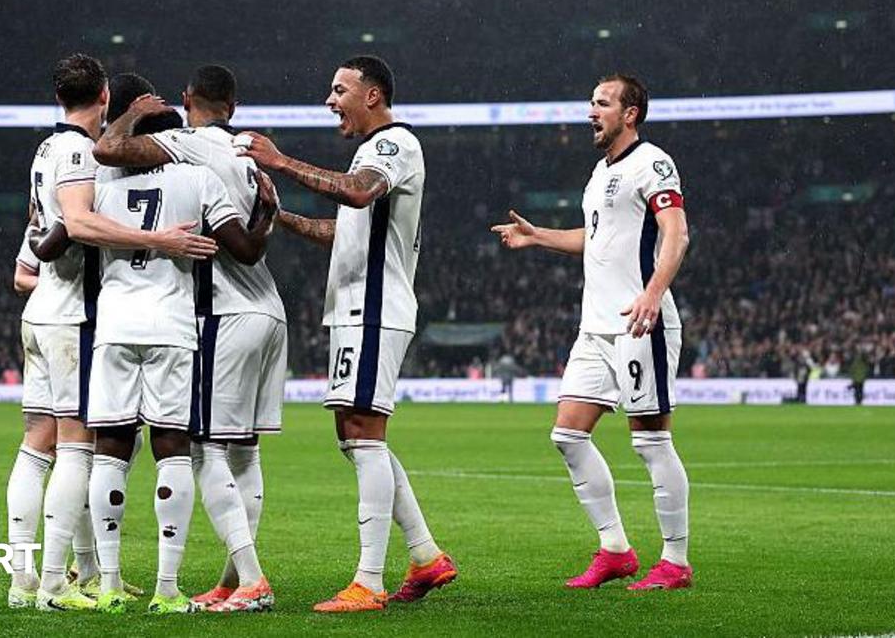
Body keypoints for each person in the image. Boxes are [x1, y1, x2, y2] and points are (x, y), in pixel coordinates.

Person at [243, 55, 456, 612]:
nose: (330, 100)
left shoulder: (395, 144)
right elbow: (345, 228)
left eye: (339, 90)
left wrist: (280, 161)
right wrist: (280, 216)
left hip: (375, 307)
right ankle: (425, 555)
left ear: (373, 95)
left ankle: (369, 581)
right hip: (356, 308)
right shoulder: (370, 153)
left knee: (363, 434)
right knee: (355, 436)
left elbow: (358, 194)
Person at [11, 56, 209, 613]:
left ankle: (34, 578)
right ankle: (54, 584)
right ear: (102, 95)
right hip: (75, 316)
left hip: (45, 312)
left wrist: (51, 257)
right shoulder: (85, 159)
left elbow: (28, 263)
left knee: (37, 446)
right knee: (79, 449)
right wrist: (159, 240)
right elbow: (76, 224)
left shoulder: (46, 151)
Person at [93, 64, 286, 613]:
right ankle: (230, 580)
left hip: (217, 311)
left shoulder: (182, 149)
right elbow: (249, 247)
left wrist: (131, 117)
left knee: (199, 448)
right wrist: (270, 215)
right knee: (242, 452)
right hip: (267, 309)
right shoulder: (245, 154)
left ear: (184, 101)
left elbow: (108, 153)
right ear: (234, 105)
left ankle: (249, 579)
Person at [492, 73, 693, 590]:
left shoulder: (652, 162)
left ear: (630, 113)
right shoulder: (600, 171)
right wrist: (538, 237)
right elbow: (596, 237)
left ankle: (675, 561)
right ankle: (616, 551)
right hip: (596, 327)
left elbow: (677, 233)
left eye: (602, 103)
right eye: (591, 102)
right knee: (568, 435)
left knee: (651, 442)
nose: (591, 111)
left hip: (639, 321)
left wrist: (652, 292)